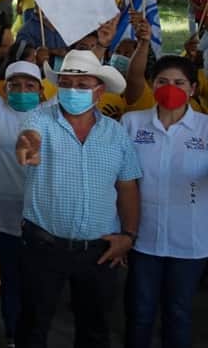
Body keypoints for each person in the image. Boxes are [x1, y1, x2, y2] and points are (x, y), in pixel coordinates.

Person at [14, 49, 141, 347]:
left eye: (82, 86)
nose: (73, 91)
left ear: (99, 92)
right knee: (33, 326)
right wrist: (26, 149)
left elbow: (127, 187)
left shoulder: (116, 133)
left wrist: (129, 236)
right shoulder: (39, 118)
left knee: (95, 330)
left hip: (100, 251)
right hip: (43, 246)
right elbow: (27, 143)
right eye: (67, 84)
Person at [120, 55, 208, 348]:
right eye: (162, 82)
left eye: (179, 83)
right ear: (151, 84)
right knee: (140, 312)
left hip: (191, 242)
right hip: (142, 238)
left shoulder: (206, 129)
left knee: (179, 313)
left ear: (193, 88)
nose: (171, 88)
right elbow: (120, 178)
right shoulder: (132, 123)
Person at [0, 60, 54, 347]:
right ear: (4, 89)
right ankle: (11, 336)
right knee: (9, 283)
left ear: (41, 90)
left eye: (30, 85)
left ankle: (33, 338)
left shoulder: (49, 113)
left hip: (41, 220)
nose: (22, 90)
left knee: (39, 287)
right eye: (15, 85)